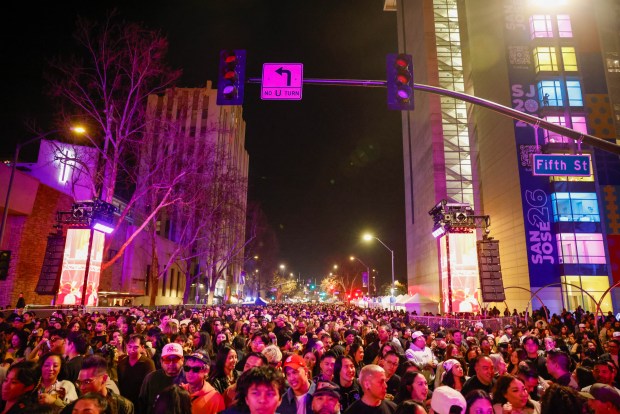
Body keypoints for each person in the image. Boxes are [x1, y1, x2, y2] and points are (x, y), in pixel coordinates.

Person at [61, 354, 133, 414]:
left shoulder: (123, 406)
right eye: (79, 382)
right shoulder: (74, 407)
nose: (82, 387)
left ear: (104, 379)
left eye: (87, 382)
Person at [139, 342, 186, 414]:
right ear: (161, 361)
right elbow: (142, 404)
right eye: (167, 359)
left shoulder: (188, 379)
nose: (171, 363)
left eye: (175, 359)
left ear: (182, 360)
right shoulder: (151, 378)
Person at [117, 334, 156, 403]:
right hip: (125, 400)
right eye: (129, 347)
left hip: (141, 401)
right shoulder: (122, 363)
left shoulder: (148, 363)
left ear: (142, 347)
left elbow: (150, 386)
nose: (131, 350)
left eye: (135, 347)